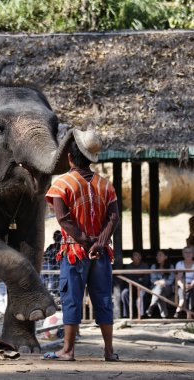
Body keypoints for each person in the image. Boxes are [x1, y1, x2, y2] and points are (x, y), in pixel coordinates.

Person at [43, 129, 119, 362]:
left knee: (72, 298)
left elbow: (64, 219)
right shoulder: (106, 185)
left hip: (74, 252)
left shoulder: (62, 184)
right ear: (91, 158)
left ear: (70, 158)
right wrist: (99, 243)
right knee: (103, 299)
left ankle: (68, 350)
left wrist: (86, 243)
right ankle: (108, 351)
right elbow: (113, 217)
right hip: (102, 253)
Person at [121, 251, 150, 318]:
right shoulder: (128, 267)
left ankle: (141, 314)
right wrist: (138, 279)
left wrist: (138, 280)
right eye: (136, 255)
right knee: (124, 293)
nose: (138, 257)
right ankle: (127, 314)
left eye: (139, 255)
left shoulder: (145, 266)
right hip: (131, 287)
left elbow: (146, 279)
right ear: (132, 258)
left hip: (142, 286)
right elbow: (127, 279)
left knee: (142, 294)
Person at [146, 250, 174, 318]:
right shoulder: (154, 266)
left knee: (160, 289)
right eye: (157, 255)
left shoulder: (170, 266)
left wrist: (163, 282)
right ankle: (164, 316)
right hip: (155, 288)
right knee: (160, 291)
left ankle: (151, 306)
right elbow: (152, 280)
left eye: (160, 255)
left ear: (165, 257)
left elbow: (171, 280)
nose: (157, 257)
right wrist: (162, 282)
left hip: (168, 289)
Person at [174, 246, 194, 318]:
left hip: (192, 285)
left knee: (190, 292)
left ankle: (178, 310)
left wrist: (191, 285)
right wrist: (183, 286)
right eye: (186, 252)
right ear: (183, 254)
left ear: (193, 254)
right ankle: (189, 314)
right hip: (182, 285)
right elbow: (178, 278)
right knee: (185, 293)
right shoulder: (179, 264)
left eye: (190, 252)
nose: (188, 254)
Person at [42, 230, 61, 296]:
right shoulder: (51, 246)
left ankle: (54, 290)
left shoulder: (62, 247)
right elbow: (45, 256)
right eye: (56, 237)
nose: (57, 238)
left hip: (58, 266)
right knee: (45, 267)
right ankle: (47, 289)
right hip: (51, 265)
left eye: (58, 237)